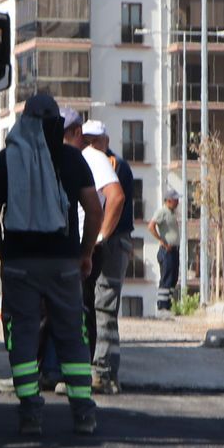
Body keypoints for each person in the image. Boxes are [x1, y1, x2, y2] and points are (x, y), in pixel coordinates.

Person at [0, 94, 103, 437]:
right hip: (64, 264)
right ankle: (83, 415)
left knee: (22, 337)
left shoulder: (6, 160)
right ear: (57, 126)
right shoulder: (71, 159)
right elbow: (94, 210)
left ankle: (31, 416)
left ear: (24, 122)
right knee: (72, 336)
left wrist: (4, 253)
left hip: (20, 265)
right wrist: (85, 253)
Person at [63, 110, 126, 361]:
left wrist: (100, 237)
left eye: (64, 135)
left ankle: (85, 365)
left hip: (86, 247)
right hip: (74, 246)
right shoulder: (73, 158)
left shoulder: (93, 158)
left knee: (84, 308)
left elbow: (116, 197)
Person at [83, 119, 137, 392]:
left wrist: (100, 237)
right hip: (112, 241)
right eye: (87, 140)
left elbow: (115, 200)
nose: (91, 144)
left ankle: (102, 373)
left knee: (103, 305)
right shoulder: (104, 163)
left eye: (95, 139)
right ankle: (108, 373)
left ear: (106, 140)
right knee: (104, 306)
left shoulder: (115, 165)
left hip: (113, 242)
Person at [150, 188, 182, 314]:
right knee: (166, 278)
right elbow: (151, 226)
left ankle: (167, 305)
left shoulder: (172, 213)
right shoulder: (162, 212)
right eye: (175, 200)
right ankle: (162, 307)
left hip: (174, 250)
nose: (177, 202)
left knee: (173, 278)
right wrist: (161, 241)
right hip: (166, 251)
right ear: (168, 200)